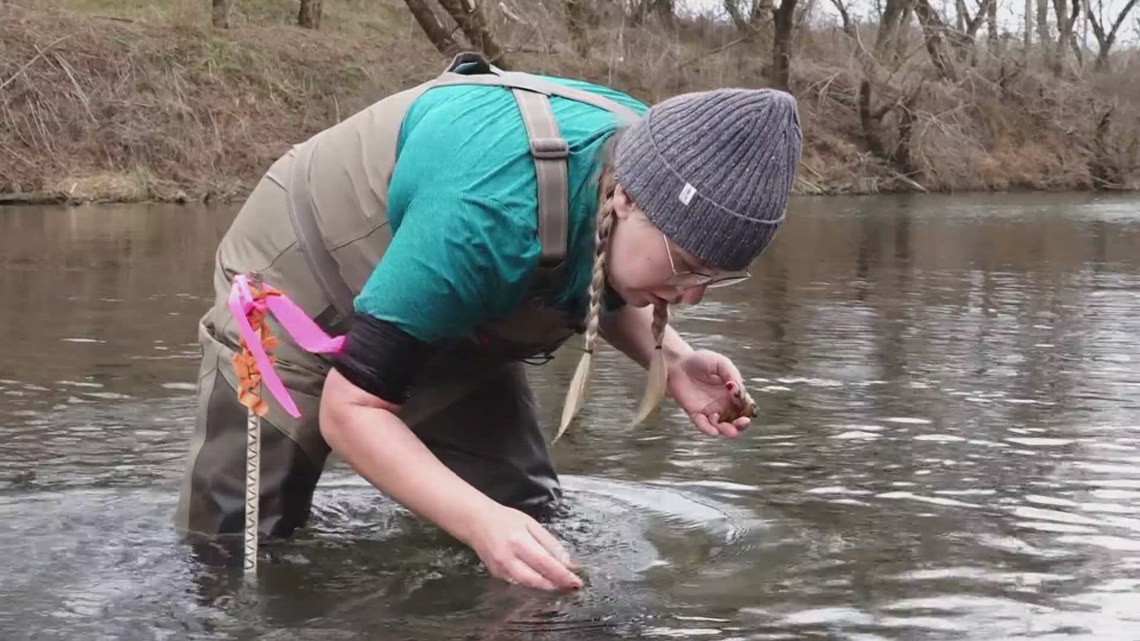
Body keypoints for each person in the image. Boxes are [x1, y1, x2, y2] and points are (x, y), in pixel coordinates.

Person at [174, 52, 802, 592]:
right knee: (240, 552)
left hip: (445, 293)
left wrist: (671, 359)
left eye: (714, 279)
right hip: (299, 281)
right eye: (687, 267)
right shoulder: (489, 213)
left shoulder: (646, 161)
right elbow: (350, 410)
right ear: (626, 198)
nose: (691, 296)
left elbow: (600, 267)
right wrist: (478, 524)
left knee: (524, 517)